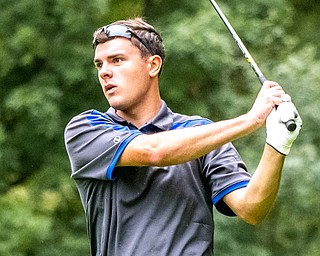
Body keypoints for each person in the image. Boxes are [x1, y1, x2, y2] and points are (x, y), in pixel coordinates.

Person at [64, 17, 302, 256]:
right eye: (99, 64)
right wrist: (251, 120)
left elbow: (251, 208)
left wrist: (278, 144)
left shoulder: (202, 133)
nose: (105, 72)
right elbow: (154, 151)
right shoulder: (86, 129)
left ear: (153, 65)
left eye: (117, 60)